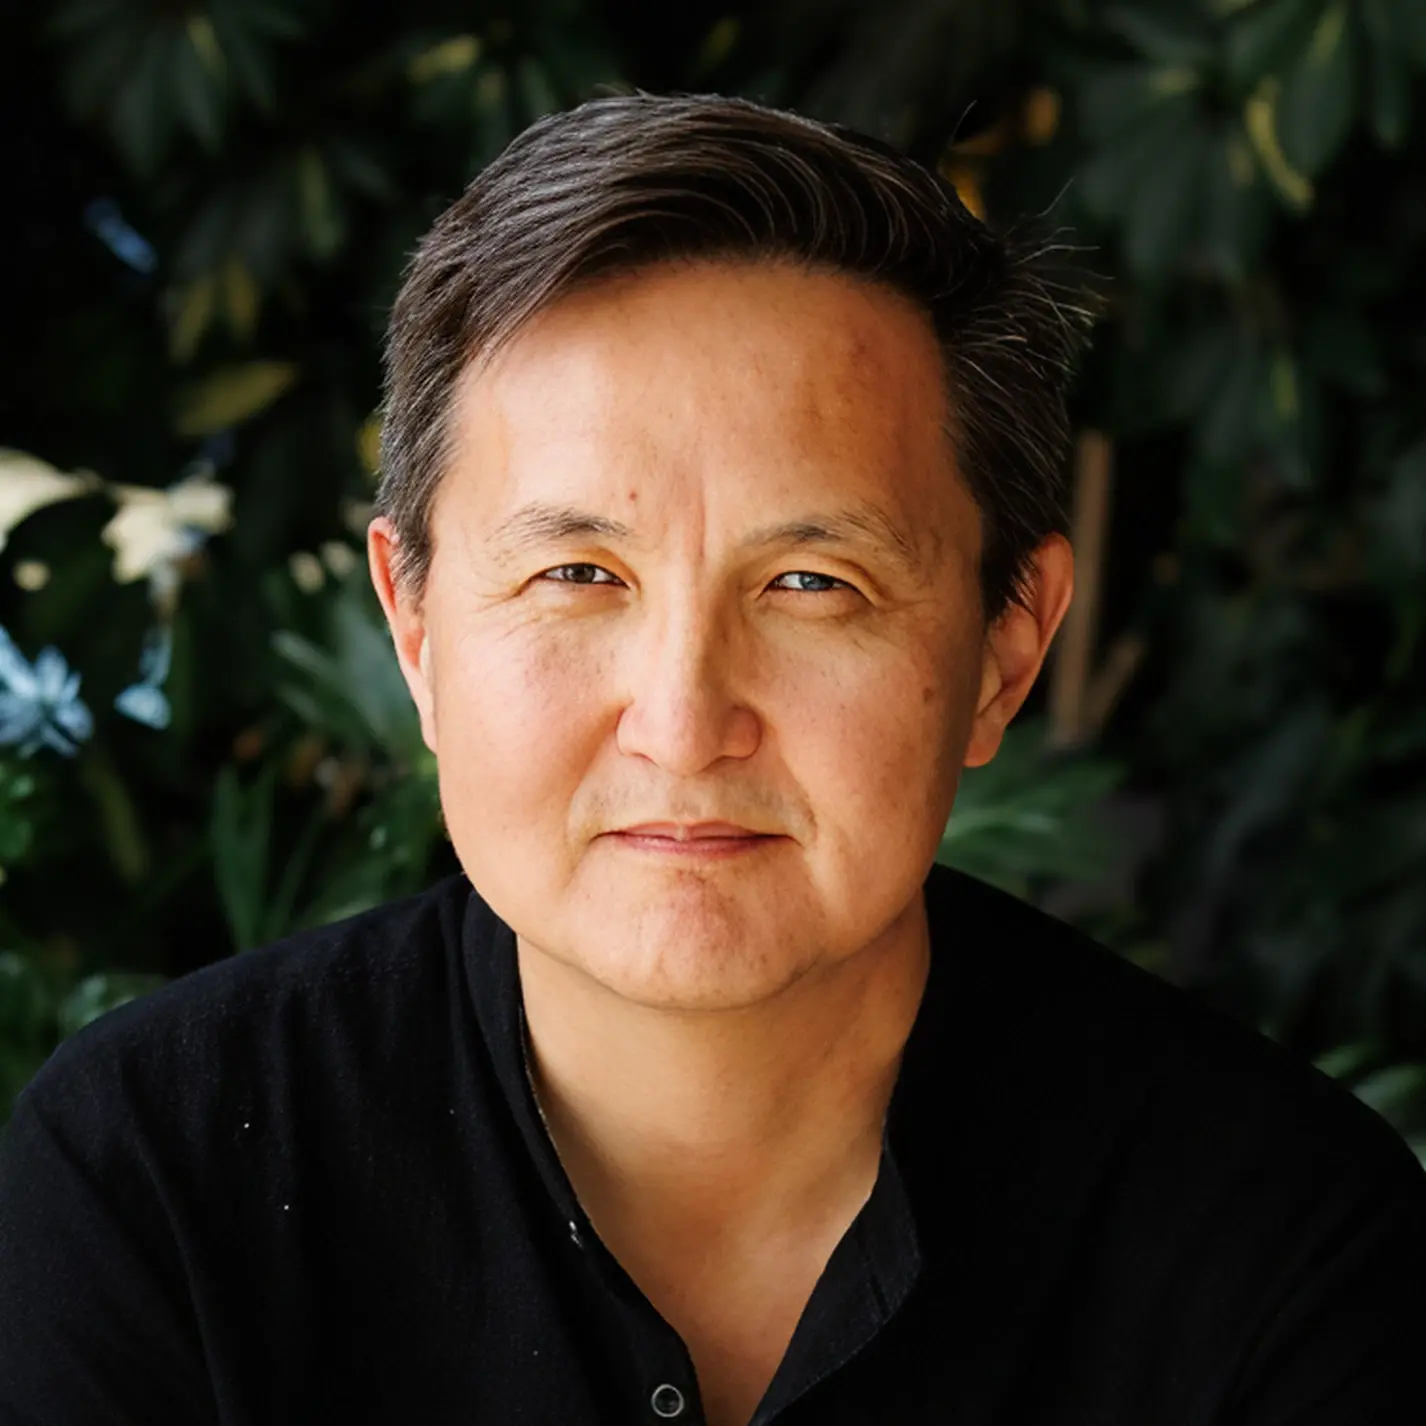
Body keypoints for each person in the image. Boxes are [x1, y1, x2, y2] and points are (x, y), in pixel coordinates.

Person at [1, 91, 1423, 1426]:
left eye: (811, 584)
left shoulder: (1276, 1240)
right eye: (575, 573)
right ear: (416, 627)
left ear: (1004, 647)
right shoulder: (157, 1181)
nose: (682, 722)